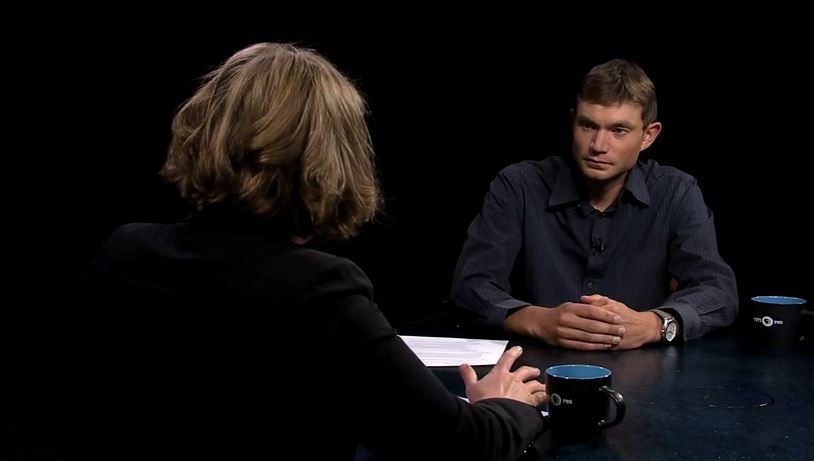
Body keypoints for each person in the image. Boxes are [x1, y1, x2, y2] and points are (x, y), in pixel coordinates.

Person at [81, 42, 546, 460]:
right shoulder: (318, 290)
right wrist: (505, 406)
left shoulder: (124, 251)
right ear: (332, 157)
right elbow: (460, 446)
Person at [450, 59, 738, 351]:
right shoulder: (519, 185)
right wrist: (538, 320)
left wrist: (655, 325)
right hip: (532, 369)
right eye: (588, 126)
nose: (598, 145)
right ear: (573, 121)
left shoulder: (676, 191)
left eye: (619, 131)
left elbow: (718, 291)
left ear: (648, 136)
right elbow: (470, 287)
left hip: (644, 373)